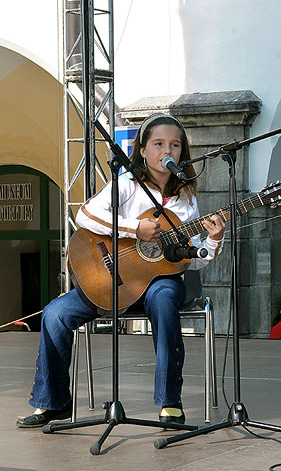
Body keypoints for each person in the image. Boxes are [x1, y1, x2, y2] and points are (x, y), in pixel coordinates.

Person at [17, 113, 226, 428]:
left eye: (175, 145)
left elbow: (192, 260)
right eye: (158, 144)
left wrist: (213, 239)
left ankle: (170, 402)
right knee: (55, 314)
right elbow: (86, 215)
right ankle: (53, 403)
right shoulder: (126, 184)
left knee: (164, 298)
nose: (167, 151)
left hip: (160, 284)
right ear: (142, 150)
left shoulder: (186, 202)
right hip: (112, 280)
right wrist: (134, 229)